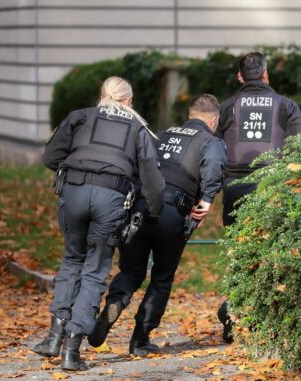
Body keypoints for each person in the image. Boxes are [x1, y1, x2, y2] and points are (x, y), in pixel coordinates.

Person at [33, 76, 165, 371]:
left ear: (101, 97)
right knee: (94, 271)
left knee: (71, 261)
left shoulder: (79, 117)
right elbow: (153, 183)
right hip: (111, 199)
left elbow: (51, 156)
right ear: (128, 101)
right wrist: (153, 212)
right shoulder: (137, 129)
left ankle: (54, 337)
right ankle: (72, 350)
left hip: (74, 193)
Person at [87, 94, 227, 355]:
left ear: (190, 114)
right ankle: (140, 339)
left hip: (141, 208)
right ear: (213, 119)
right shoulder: (210, 140)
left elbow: (135, 163)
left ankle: (115, 303)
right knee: (162, 276)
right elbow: (214, 166)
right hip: (173, 212)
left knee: (130, 270)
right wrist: (207, 199)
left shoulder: (160, 134)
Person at [216, 52, 301, 342]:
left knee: (237, 251)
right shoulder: (286, 106)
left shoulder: (227, 107)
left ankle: (233, 312)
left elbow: (214, 149)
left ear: (240, 77)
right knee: (271, 253)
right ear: (266, 74)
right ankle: (264, 319)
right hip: (272, 187)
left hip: (234, 188)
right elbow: (299, 149)